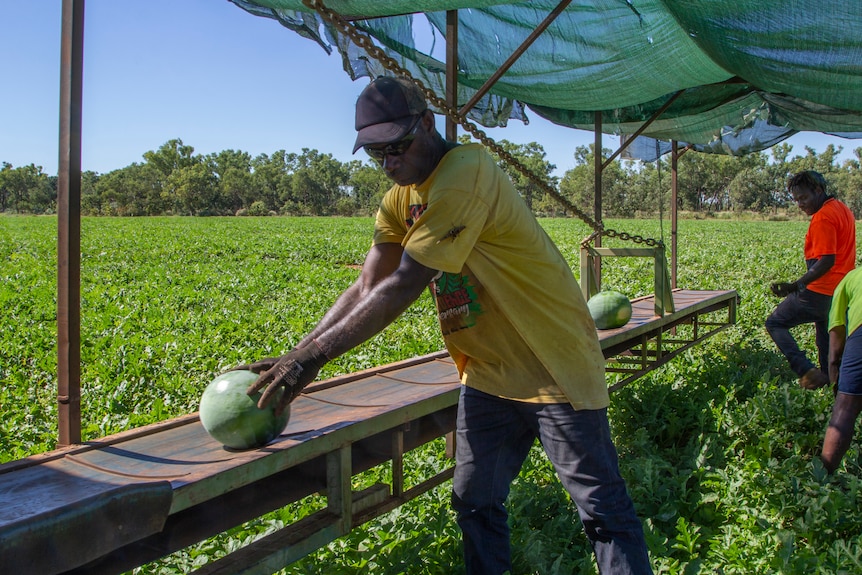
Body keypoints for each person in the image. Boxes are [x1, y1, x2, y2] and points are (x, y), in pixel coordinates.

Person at [235, 76, 652, 574]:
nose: (390, 162)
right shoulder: (400, 198)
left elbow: (406, 282)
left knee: (602, 511)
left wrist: (312, 361)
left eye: (398, 147)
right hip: (489, 374)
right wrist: (296, 354)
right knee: (474, 502)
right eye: (376, 154)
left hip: (553, 362)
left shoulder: (465, 172)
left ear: (426, 125)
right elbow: (369, 283)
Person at [765, 170, 856, 390]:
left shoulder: (823, 216)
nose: (800, 204)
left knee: (775, 322)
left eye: (803, 198)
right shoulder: (842, 209)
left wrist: (796, 285)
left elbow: (826, 261)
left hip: (820, 292)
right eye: (796, 200)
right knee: (827, 345)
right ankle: (833, 387)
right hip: (840, 292)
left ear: (818, 190)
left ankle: (805, 371)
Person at [821, 268, 862, 473]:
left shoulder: (852, 278)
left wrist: (835, 378)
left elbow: (836, 340)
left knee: (845, 408)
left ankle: (822, 479)